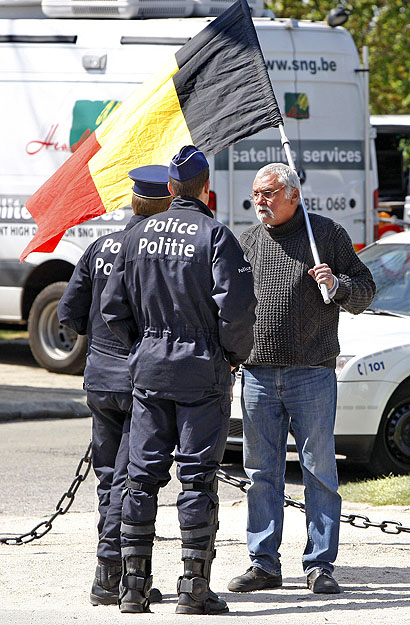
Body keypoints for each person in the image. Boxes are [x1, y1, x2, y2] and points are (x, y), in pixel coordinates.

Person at [101, 145, 256, 615]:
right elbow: (238, 311)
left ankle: (132, 588)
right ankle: (193, 587)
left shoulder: (137, 235)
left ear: (170, 188)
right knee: (197, 478)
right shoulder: (216, 236)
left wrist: (144, 347)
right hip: (201, 370)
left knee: (141, 479)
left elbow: (112, 309)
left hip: (150, 369)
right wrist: (231, 355)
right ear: (205, 188)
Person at [227, 163, 376, 596]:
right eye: (256, 194)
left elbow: (365, 291)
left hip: (311, 372)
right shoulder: (249, 240)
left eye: (269, 194)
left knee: (319, 470)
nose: (260, 202)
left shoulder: (325, 235)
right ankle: (263, 563)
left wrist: (339, 283)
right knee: (260, 473)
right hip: (256, 373)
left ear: (293, 195)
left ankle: (319, 564)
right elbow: (232, 302)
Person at [57, 165, 172, 606]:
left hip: (99, 379)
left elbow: (69, 314)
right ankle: (110, 578)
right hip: (139, 381)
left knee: (110, 479)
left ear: (132, 201)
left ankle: (119, 574)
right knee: (129, 481)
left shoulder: (100, 246)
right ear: (166, 203)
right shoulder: (156, 252)